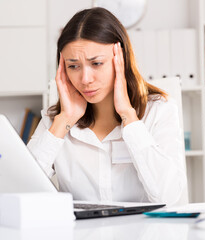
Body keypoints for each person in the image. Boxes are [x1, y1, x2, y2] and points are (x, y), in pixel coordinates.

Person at [28, 7, 187, 206]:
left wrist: (129, 118)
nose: (85, 79)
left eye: (96, 63)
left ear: (121, 59)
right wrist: (64, 122)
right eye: (73, 66)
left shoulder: (159, 110)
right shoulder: (56, 121)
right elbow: (20, 192)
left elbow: (169, 196)